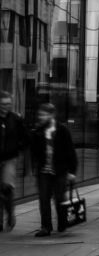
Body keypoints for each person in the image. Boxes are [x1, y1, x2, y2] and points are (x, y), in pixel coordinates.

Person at [30, 103, 77, 237]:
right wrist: (36, 135)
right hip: (44, 171)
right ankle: (46, 227)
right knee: (43, 199)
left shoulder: (62, 130)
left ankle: (62, 222)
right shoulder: (38, 131)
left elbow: (70, 152)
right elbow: (34, 151)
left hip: (60, 171)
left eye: (43, 115)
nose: (41, 117)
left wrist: (72, 172)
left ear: (51, 115)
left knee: (60, 198)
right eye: (40, 114)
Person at [0, 90, 27, 232]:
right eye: (3, 104)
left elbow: (24, 136)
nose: (6, 106)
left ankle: (10, 212)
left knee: (6, 188)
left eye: (8, 104)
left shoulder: (16, 119)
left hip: (10, 158)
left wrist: (19, 148)